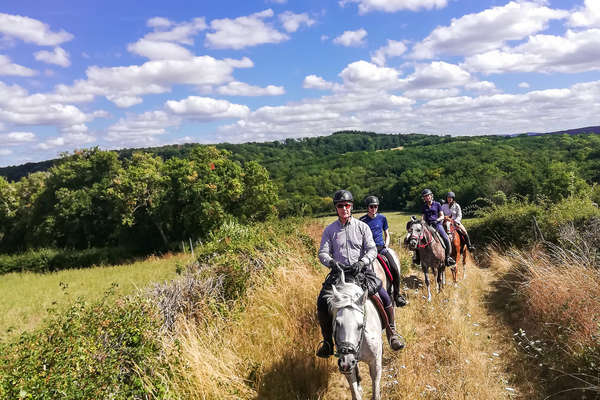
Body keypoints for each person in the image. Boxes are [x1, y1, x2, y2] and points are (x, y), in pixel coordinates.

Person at [316, 189, 405, 358]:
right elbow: (323, 253)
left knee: (385, 297)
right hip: (339, 275)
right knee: (321, 303)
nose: (344, 208)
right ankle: (327, 342)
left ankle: (392, 334)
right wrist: (331, 262)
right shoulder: (330, 230)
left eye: (347, 205)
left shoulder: (362, 227)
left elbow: (372, 249)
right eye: (340, 205)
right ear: (336, 208)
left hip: (361, 272)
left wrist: (363, 262)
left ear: (351, 207)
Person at [359, 195, 407, 307]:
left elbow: (387, 233)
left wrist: (387, 244)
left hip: (381, 248)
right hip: (368, 250)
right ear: (367, 207)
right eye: (371, 206)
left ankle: (397, 295)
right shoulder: (362, 220)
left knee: (395, 268)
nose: (374, 209)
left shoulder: (382, 218)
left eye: (376, 206)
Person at [420, 188, 455, 267]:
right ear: (424, 198)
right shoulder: (424, 206)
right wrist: (422, 222)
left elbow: (442, 215)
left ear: (431, 196)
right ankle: (418, 257)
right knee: (419, 239)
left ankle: (448, 257)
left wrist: (437, 220)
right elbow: (422, 217)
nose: (427, 197)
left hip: (437, 225)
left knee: (446, 238)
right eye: (425, 196)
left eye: (428, 195)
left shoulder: (437, 204)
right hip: (427, 226)